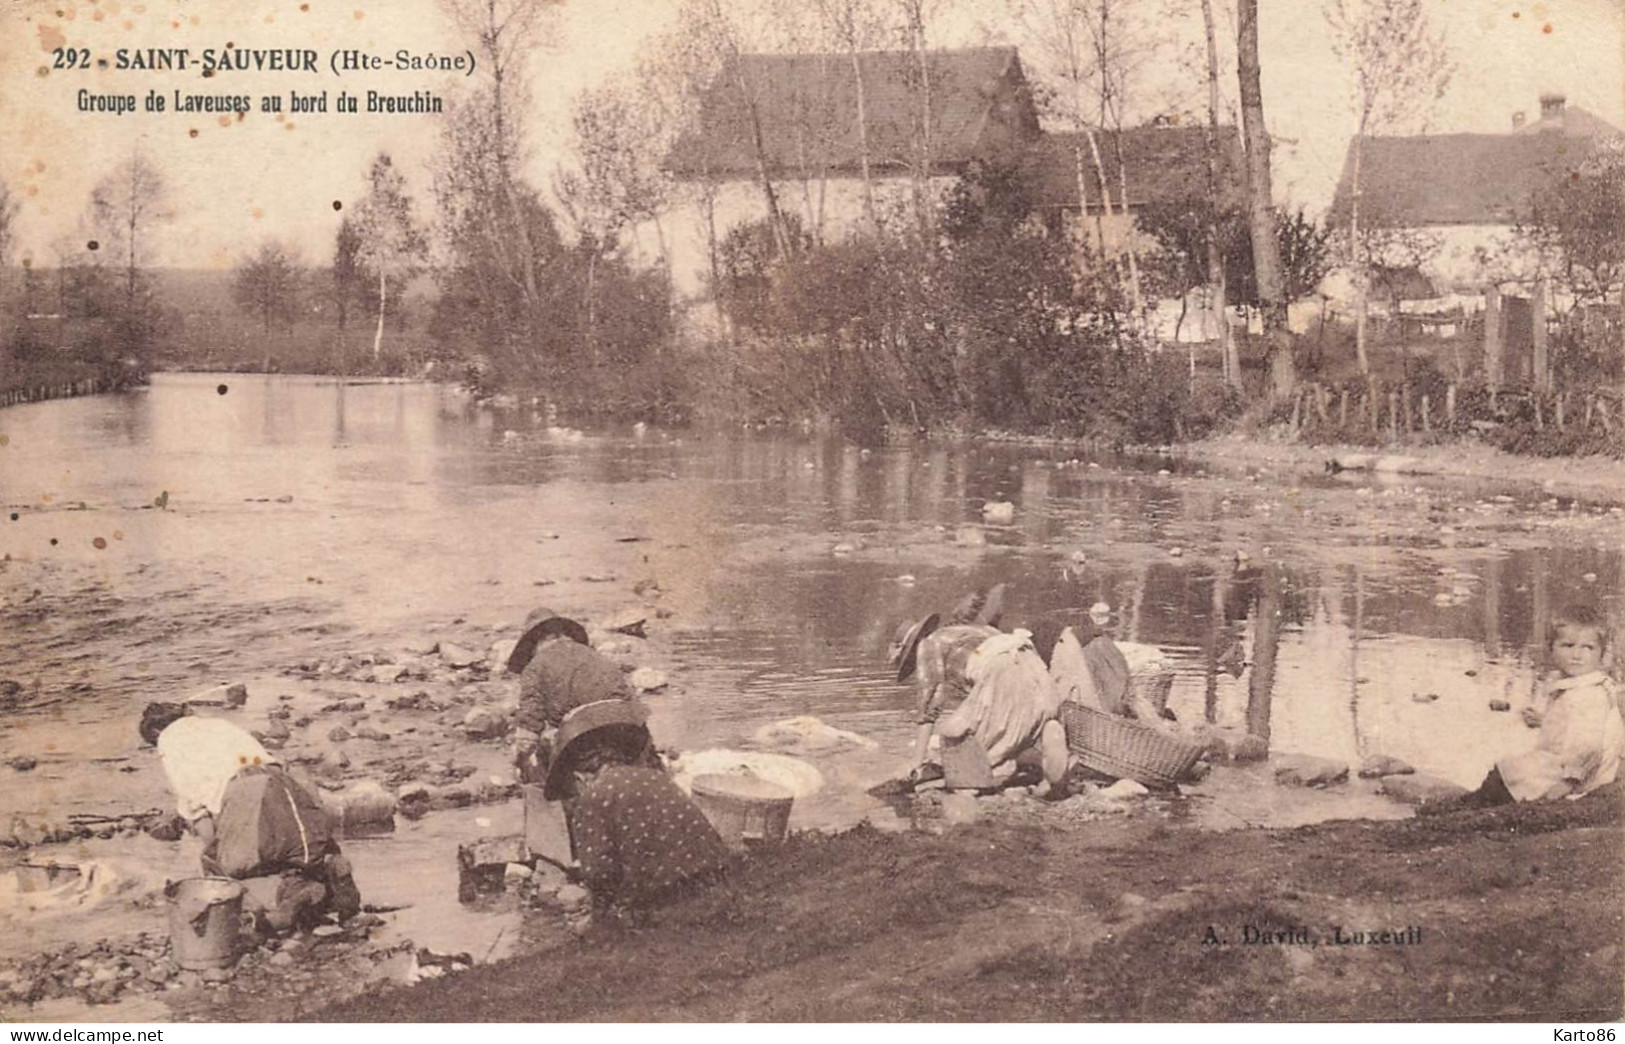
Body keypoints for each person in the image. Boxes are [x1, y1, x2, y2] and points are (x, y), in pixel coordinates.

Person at [139, 702, 361, 932]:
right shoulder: (216, 723)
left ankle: (264, 915)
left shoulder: (168, 740)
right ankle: (338, 895)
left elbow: (198, 812)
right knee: (307, 849)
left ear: (156, 732)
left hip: (243, 793)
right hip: (282, 782)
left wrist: (214, 851)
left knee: (223, 866)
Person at [544, 699, 729, 923]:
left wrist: (598, 916)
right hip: (717, 883)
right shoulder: (656, 777)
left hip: (667, 901)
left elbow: (598, 873)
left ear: (580, 776)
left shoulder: (595, 797)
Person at [890, 585, 1065, 790]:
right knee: (1021, 723)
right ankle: (1045, 750)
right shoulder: (970, 630)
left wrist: (916, 761)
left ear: (913, 644)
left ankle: (971, 785)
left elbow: (929, 706)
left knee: (957, 736)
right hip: (1030, 660)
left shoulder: (928, 644)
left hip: (998, 667)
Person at [1455, 606, 1624, 807]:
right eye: (1568, 645)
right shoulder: (1588, 685)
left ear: (1602, 653)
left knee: (1508, 772)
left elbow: (1589, 748)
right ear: (1551, 648)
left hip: (1574, 778)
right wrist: (1545, 721)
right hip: (1572, 766)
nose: (1577, 655)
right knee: (1511, 769)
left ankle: (1474, 807)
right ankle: (1477, 802)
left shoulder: (1586, 696)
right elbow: (1576, 726)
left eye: (1588, 648)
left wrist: (1563, 787)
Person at [507, 607, 632, 785]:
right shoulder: (596, 656)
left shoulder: (535, 666)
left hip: (584, 738)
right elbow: (627, 699)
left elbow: (529, 725)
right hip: (626, 731)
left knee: (539, 762)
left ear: (534, 643)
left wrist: (520, 761)